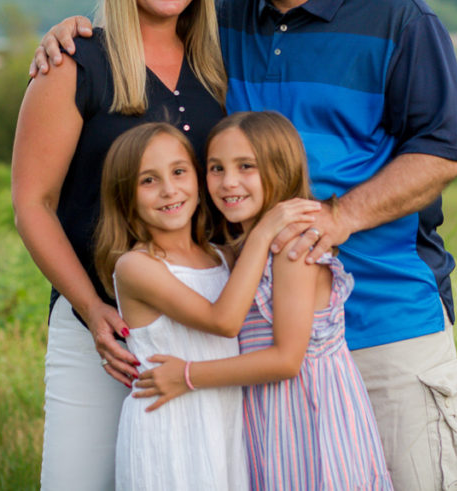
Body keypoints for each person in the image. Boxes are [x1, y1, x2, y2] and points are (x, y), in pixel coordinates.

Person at [34, 0, 457, 490]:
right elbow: (144, 23)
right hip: (256, 336)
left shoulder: (398, 18)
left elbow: (442, 149)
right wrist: (70, 32)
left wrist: (334, 218)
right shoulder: (224, 24)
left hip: (384, 321)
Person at [11, 0, 227, 490]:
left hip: (196, 328)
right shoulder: (76, 62)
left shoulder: (216, 67)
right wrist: (91, 309)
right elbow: (32, 203)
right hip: (101, 333)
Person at [134, 111, 393, 490]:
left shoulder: (293, 248)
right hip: (267, 421)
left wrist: (186, 376)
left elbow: (287, 360)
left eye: (246, 167)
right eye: (216, 168)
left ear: (281, 168)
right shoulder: (244, 252)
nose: (228, 182)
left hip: (309, 422)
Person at [93, 121, 319, 490]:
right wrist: (263, 231)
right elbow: (224, 320)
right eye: (147, 180)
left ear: (197, 179)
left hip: (223, 422)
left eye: (179, 172)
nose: (169, 190)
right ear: (125, 195)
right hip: (168, 425)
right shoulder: (136, 266)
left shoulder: (223, 258)